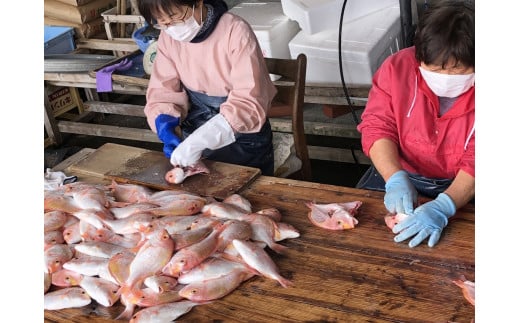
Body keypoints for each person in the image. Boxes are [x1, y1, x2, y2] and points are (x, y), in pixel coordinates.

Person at [356, 0, 475, 248]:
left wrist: (445, 205)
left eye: (456, 72)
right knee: (365, 236)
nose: (444, 79)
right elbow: (377, 126)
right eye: (433, 69)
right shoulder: (397, 68)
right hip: (399, 172)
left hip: (464, 184)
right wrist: (394, 178)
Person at [138, 0, 277, 175]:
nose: (170, 27)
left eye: (174, 16)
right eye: (161, 21)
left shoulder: (235, 30)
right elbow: (162, 91)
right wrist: (165, 123)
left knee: (245, 193)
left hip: (243, 135)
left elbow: (249, 101)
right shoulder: (168, 38)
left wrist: (203, 139)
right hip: (194, 131)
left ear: (198, 2)